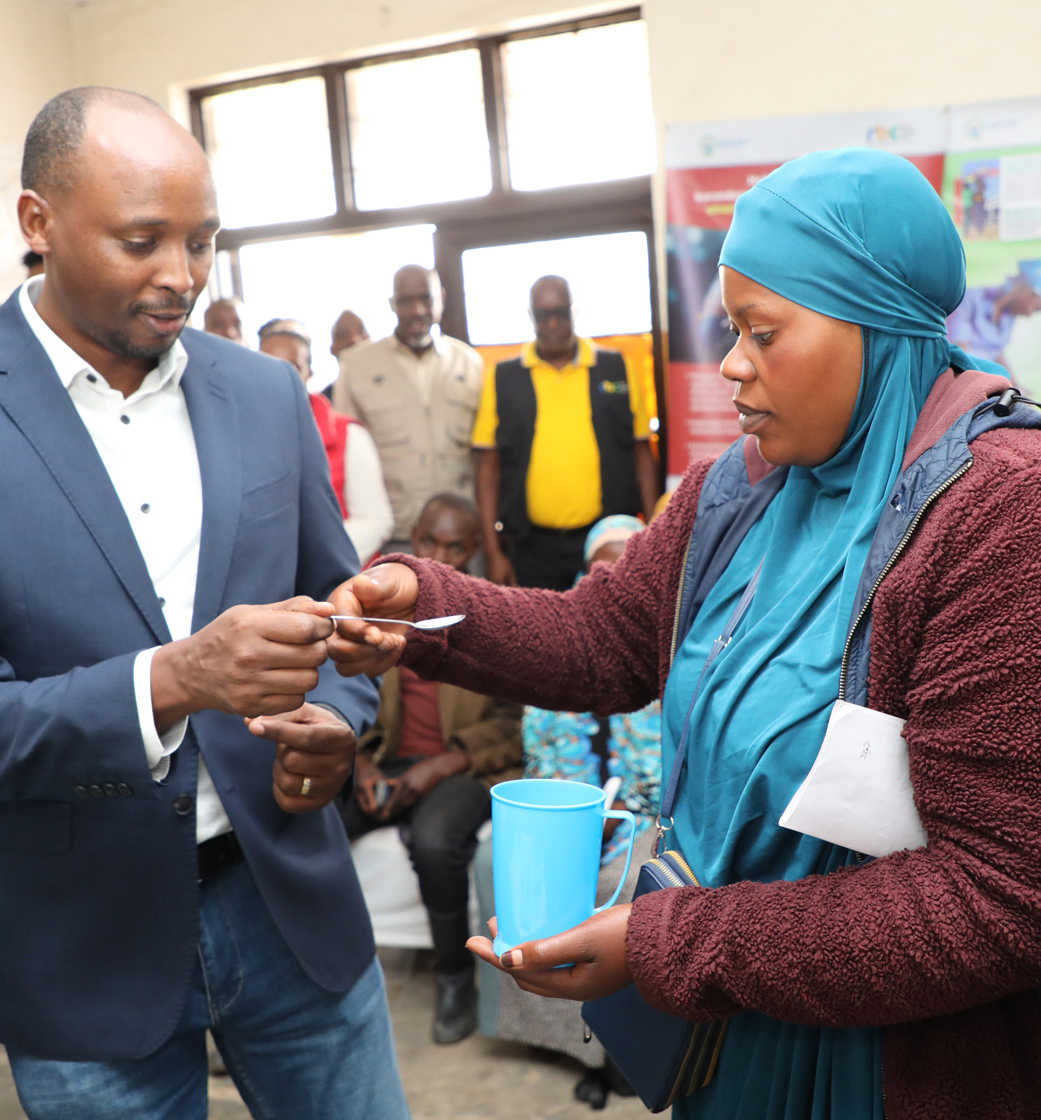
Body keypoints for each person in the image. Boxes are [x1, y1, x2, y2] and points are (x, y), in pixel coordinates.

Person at [322, 148, 1041, 1119]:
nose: (730, 364)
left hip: (889, 1071)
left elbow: (995, 896)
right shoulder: (741, 489)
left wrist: (672, 942)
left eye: (761, 332)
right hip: (732, 1031)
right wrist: (422, 604)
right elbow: (601, 637)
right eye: (727, 327)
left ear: (873, 330)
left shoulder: (997, 514)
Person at [0, 86, 407, 1120]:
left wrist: (339, 716)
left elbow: (334, 611)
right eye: (142, 241)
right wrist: (177, 678)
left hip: (287, 900)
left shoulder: (266, 395)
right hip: (76, 937)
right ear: (36, 222)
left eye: (202, 239)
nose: (180, 276)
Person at [472, 515, 657, 1109]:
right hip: (570, 808)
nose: (613, 573)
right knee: (491, 862)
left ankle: (621, 1047)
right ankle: (570, 1043)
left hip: (645, 811)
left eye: (627, 561)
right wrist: (581, 814)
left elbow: (675, 754)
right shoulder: (561, 647)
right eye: (601, 562)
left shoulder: (672, 643)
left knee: (628, 881)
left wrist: (621, 808)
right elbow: (544, 755)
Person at [339, 493, 522, 1045]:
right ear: (411, 540)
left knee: (436, 838)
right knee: (317, 818)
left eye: (456, 545)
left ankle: (452, 978)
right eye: (429, 541)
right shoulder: (382, 607)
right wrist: (364, 763)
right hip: (391, 756)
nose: (440, 554)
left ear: (476, 549)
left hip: (465, 766)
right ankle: (321, 972)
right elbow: (349, 693)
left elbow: (514, 723)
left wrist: (439, 767)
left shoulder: (497, 612)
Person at [472, 275, 659, 590]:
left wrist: (654, 534)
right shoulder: (503, 377)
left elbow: (641, 454)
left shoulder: (615, 368)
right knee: (539, 635)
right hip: (531, 546)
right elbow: (487, 470)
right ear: (531, 316)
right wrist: (493, 553)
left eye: (561, 312)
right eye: (544, 315)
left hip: (606, 540)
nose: (553, 323)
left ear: (574, 311)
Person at [333, 265, 483, 553]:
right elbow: (345, 453)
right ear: (392, 304)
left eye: (426, 299)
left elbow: (483, 455)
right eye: (405, 301)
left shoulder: (469, 362)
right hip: (396, 533)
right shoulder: (356, 365)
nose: (417, 310)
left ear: (440, 299)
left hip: (460, 536)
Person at [259, 318, 392, 564]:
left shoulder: (347, 435)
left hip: (338, 578)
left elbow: (375, 521)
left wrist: (311, 555)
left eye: (291, 368)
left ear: (308, 373)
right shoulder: (241, 435)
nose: (277, 377)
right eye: (266, 366)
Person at [946, 268, 1041, 380]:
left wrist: (1016, 386)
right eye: (1035, 307)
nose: (1029, 313)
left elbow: (996, 352)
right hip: (962, 378)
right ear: (1023, 288)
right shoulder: (968, 300)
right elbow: (959, 357)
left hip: (982, 378)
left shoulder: (1009, 315)